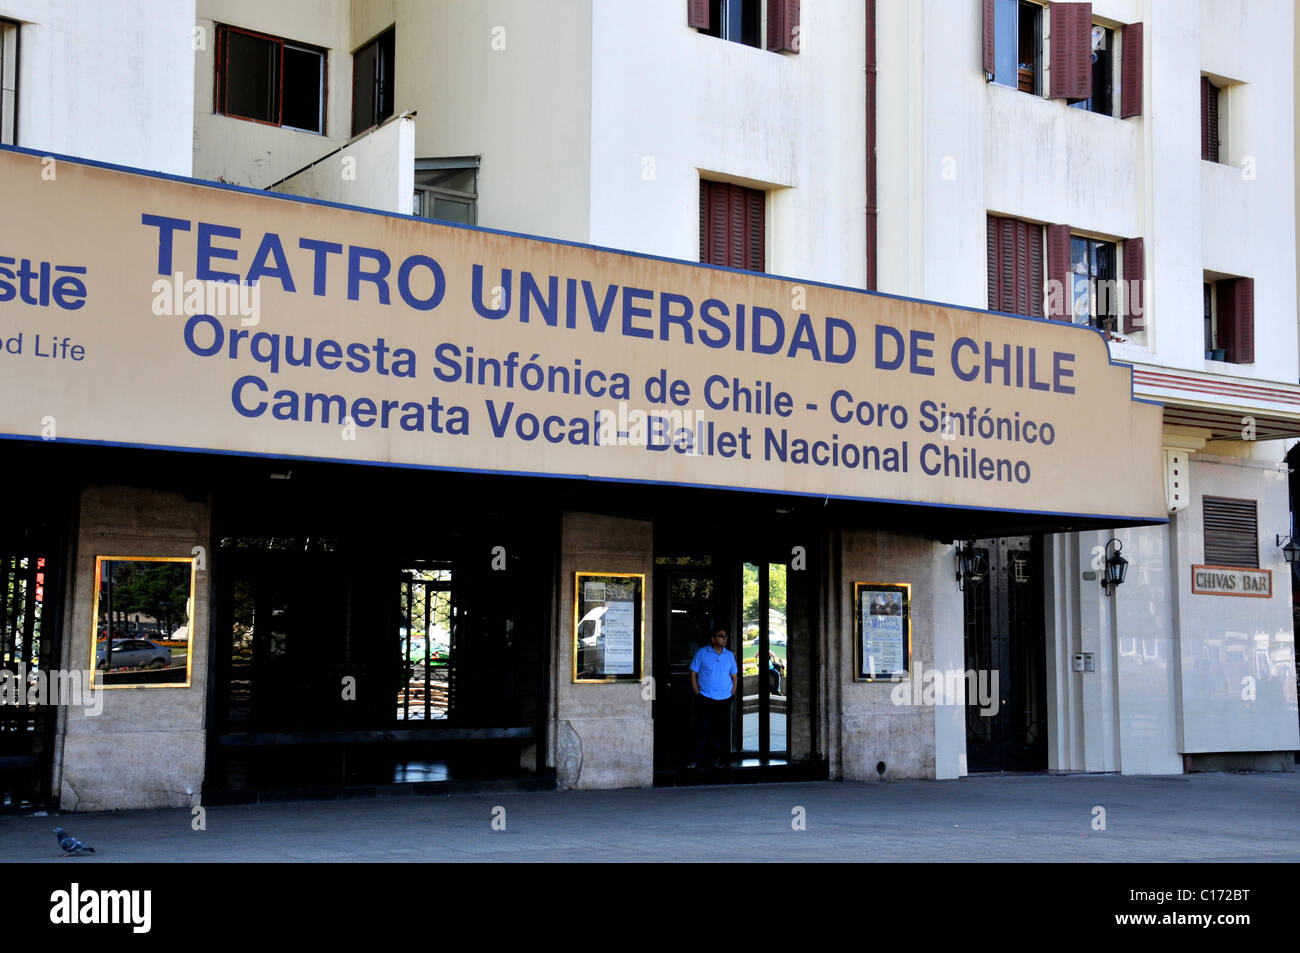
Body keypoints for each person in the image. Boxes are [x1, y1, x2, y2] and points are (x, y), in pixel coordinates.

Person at [688, 628, 737, 770]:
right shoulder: (702, 653)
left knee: (720, 731)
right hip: (706, 698)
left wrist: (732, 692)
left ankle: (719, 760)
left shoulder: (729, 656)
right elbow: (693, 673)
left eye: (726, 636)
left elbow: (734, 676)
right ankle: (696, 760)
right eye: (721, 636)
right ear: (713, 639)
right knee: (701, 730)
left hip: (724, 699)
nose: (725, 639)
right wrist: (697, 693)